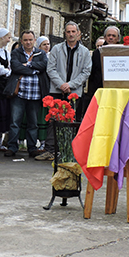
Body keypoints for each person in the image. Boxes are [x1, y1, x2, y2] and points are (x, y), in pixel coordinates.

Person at [36, 21, 92, 161]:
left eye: (73, 31)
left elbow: (86, 72)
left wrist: (71, 85)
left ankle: (69, 151)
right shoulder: (56, 49)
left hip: (74, 93)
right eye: (68, 32)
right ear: (65, 33)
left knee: (72, 121)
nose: (71, 34)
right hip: (57, 90)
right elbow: (51, 69)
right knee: (53, 120)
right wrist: (61, 84)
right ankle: (50, 150)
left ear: (78, 33)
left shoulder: (85, 52)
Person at [4, 30, 49, 158]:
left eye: (30, 40)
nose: (28, 42)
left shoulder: (41, 53)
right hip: (19, 94)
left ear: (34, 40)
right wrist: (34, 70)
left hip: (35, 94)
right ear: (21, 41)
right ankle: (12, 147)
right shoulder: (16, 52)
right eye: (25, 40)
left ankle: (32, 147)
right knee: (15, 122)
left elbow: (43, 65)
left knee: (33, 123)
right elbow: (15, 66)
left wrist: (27, 65)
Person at [87, 26, 120, 100]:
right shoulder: (97, 52)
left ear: (118, 38)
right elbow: (93, 74)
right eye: (109, 35)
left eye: (113, 36)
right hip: (100, 90)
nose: (111, 37)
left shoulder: (123, 52)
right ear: (105, 37)